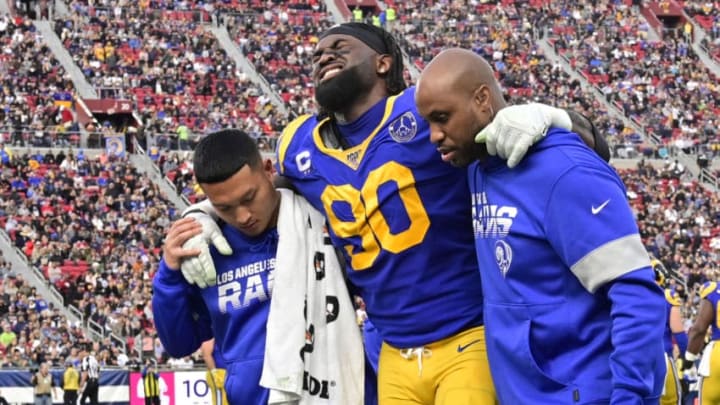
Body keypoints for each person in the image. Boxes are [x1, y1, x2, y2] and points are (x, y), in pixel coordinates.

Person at [179, 23, 610, 405]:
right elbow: (264, 198)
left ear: (383, 63)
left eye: (339, 47)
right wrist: (205, 214)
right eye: (316, 53)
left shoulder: (422, 112)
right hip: (391, 349)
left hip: (467, 335)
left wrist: (559, 119)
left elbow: (530, 132)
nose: (323, 55)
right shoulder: (298, 144)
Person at [414, 47, 666, 403]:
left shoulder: (563, 171)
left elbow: (637, 296)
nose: (433, 135)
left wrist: (630, 397)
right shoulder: (476, 166)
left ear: (482, 99)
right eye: (428, 122)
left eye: (442, 118)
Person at [153, 129, 365, 404]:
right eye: (225, 208)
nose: (242, 217)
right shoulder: (205, 248)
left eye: (249, 198)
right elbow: (179, 344)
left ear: (268, 170)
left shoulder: (317, 220)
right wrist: (169, 274)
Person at [654, 260, 689, 405]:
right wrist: (687, 358)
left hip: (635, 360)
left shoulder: (629, 299)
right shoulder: (667, 296)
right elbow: (679, 333)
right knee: (672, 401)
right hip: (662, 359)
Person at [687, 281, 720, 404]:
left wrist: (689, 358)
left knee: (708, 401)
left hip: (718, 353)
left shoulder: (714, 290)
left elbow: (699, 329)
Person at [201, 338, 228, 405]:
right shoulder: (211, 335)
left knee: (226, 401)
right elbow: (206, 355)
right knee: (219, 401)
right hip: (218, 372)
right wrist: (214, 372)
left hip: (227, 372)